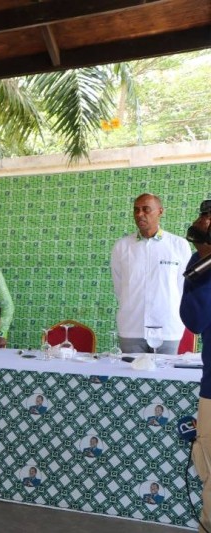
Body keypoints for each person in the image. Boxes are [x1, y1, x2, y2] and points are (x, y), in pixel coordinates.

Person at [111, 193, 191, 354]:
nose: (140, 214)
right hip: (131, 326)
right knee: (131, 377)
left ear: (160, 211)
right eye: (136, 210)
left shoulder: (178, 245)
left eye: (146, 209)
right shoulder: (122, 246)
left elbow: (184, 287)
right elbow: (120, 287)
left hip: (167, 327)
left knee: (164, 378)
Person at [180, 198, 211, 532]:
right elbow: (195, 319)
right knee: (207, 468)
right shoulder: (201, 262)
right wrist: (205, 260)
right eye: (202, 215)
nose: (203, 221)